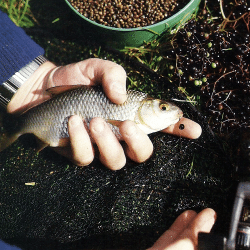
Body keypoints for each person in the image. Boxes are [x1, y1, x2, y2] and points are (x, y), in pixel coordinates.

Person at [0, 9, 213, 250]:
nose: (171, 111)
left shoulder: (134, 110)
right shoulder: (132, 107)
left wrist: (33, 82)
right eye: (163, 108)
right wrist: (32, 85)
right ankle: (16, 131)